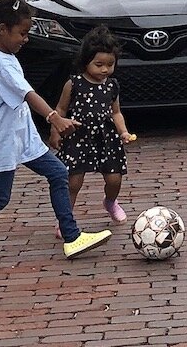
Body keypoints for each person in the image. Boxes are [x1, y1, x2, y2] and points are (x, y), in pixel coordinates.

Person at [0, 0, 113, 272]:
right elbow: (27, 93)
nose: (26, 39)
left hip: (20, 137)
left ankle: (72, 237)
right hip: (3, 140)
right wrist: (55, 118)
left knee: (57, 173)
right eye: (22, 33)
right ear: (3, 29)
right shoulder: (0, 63)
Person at [50, 26, 134, 231]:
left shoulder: (112, 85)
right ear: (86, 61)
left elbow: (116, 112)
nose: (105, 69)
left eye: (110, 64)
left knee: (114, 178)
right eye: (99, 64)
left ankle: (110, 202)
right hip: (78, 137)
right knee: (73, 183)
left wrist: (123, 131)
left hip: (106, 138)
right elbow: (60, 108)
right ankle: (66, 220)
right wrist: (55, 131)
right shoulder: (74, 83)